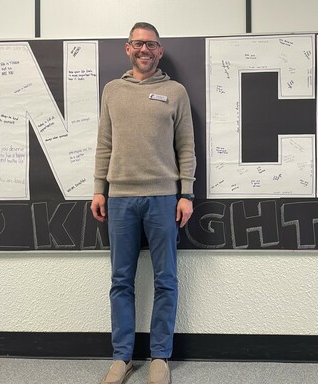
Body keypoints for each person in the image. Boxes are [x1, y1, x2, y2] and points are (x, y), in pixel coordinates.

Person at [91, 21, 196, 384]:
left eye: (151, 44)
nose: (144, 50)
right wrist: (98, 188)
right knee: (121, 280)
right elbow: (105, 142)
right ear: (127, 48)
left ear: (160, 50)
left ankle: (160, 357)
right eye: (138, 44)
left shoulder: (175, 91)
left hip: (164, 198)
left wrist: (186, 193)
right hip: (119, 198)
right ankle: (122, 357)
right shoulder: (112, 91)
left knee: (166, 279)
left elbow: (186, 147)